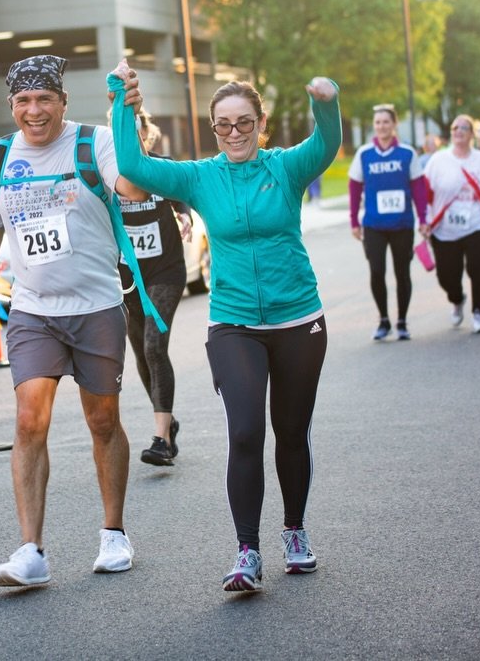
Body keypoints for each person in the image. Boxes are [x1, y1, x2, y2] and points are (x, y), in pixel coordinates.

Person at [108, 62, 341, 593]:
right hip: (233, 321)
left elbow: (326, 143)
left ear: (261, 124)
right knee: (244, 431)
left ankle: (295, 531)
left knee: (289, 431)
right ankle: (248, 551)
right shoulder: (199, 177)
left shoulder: (284, 168)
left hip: (298, 317)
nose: (233, 134)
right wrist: (125, 102)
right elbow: (131, 163)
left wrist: (325, 102)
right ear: (213, 129)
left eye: (243, 123)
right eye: (223, 125)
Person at [0, 54, 144, 587]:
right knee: (30, 420)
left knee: (102, 421)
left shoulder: (92, 142)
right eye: (23, 101)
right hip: (33, 310)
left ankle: (113, 532)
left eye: (44, 99)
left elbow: (134, 188)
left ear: (62, 101)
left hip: (97, 305)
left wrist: (126, 118)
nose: (34, 111)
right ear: (11, 105)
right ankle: (31, 551)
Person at [117, 111, 190, 467]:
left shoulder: (161, 166)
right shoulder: (110, 173)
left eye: (137, 129)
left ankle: (160, 438)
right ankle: (168, 421)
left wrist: (186, 215)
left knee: (154, 345)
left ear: (148, 134)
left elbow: (182, 195)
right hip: (126, 278)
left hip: (165, 272)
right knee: (142, 354)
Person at [348, 104, 428, 341]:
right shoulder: (364, 154)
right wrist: (354, 220)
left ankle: (402, 321)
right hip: (373, 225)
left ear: (394, 125)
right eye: (378, 122)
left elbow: (418, 189)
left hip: (402, 224)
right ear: (374, 126)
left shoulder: (407, 153)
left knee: (402, 273)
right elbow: (354, 188)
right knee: (376, 271)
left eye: (386, 122)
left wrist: (423, 218)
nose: (381, 126)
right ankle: (384, 320)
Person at [422, 115, 480, 334]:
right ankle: (457, 298)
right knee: (446, 276)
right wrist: (423, 220)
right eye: (455, 127)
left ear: (472, 134)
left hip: (479, 224)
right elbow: (424, 195)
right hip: (445, 228)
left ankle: (479, 312)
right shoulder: (438, 161)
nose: (459, 131)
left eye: (464, 128)